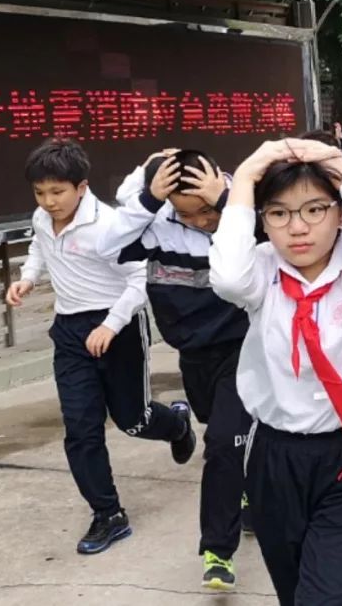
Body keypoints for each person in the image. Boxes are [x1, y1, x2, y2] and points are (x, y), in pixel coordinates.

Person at [209, 138, 342, 606]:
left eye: (315, 210)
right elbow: (227, 279)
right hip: (274, 457)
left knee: (328, 598)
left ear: (341, 213)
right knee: (295, 590)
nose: (297, 228)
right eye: (279, 214)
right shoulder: (260, 272)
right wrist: (245, 175)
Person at [6, 139, 196, 555]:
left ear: (82, 186)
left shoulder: (109, 225)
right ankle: (108, 514)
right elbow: (39, 247)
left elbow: (137, 281)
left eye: (57, 192)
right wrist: (28, 278)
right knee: (80, 429)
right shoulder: (42, 217)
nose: (49, 201)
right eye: (40, 193)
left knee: (132, 419)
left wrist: (110, 325)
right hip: (70, 333)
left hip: (119, 328)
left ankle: (176, 424)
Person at [96, 148, 251, 591]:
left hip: (247, 348)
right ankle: (244, 483)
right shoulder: (157, 225)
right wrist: (146, 200)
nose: (203, 220)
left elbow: (270, 237)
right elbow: (104, 248)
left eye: (206, 209)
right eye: (190, 214)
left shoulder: (241, 213)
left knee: (223, 442)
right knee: (221, 434)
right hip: (194, 354)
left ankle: (217, 551)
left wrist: (226, 202)